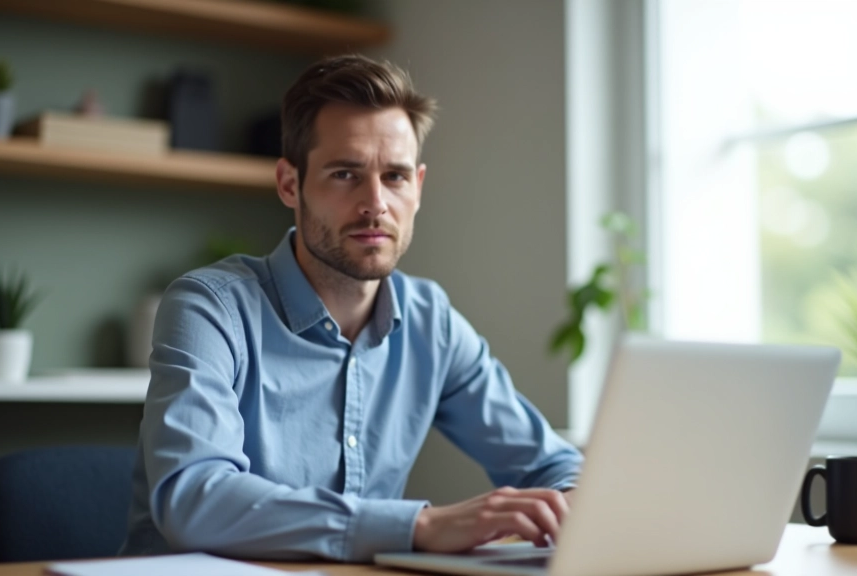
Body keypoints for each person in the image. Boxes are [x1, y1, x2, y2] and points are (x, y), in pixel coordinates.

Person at [119, 54, 583, 562]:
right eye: (345, 173)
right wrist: (419, 525)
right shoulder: (211, 308)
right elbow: (193, 500)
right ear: (289, 184)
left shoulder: (431, 322)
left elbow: (553, 465)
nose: (375, 203)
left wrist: (576, 504)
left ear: (418, 187)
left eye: (395, 176)